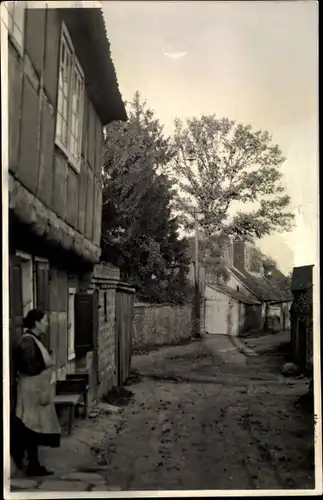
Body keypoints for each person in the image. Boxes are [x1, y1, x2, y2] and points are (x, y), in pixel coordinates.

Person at [11, 308, 61, 476]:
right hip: (30, 390)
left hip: (35, 390)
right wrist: (44, 364)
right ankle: (27, 461)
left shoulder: (34, 340)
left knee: (33, 426)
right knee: (29, 426)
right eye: (45, 321)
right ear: (36, 323)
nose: (47, 324)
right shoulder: (27, 341)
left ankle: (33, 463)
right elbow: (28, 367)